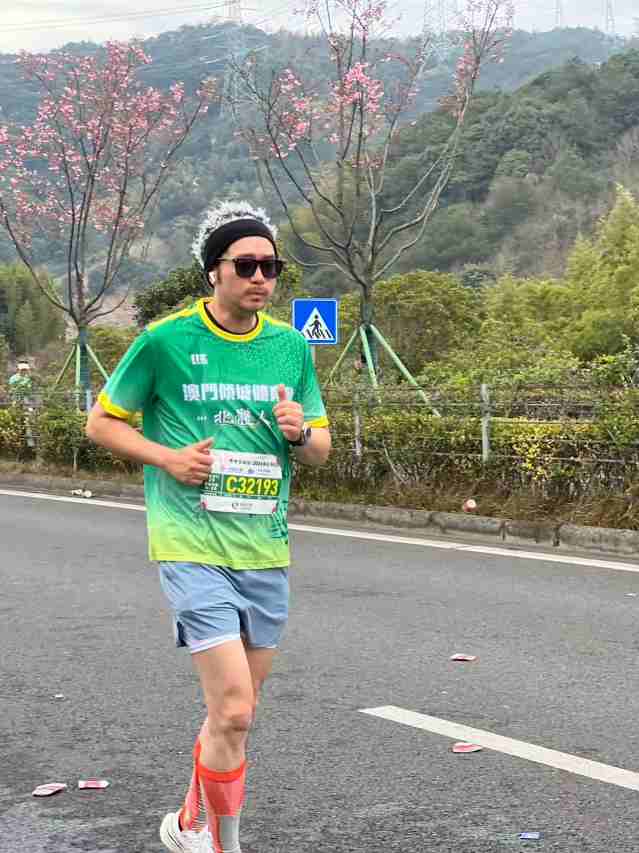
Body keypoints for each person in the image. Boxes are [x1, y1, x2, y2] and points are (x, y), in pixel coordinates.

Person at [85, 200, 331, 853]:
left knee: (234, 715)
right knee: (234, 708)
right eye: (245, 265)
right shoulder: (164, 341)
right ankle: (223, 845)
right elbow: (101, 423)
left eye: (270, 266)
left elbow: (320, 448)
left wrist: (299, 433)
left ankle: (187, 822)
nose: (260, 277)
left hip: (264, 547)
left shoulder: (289, 347)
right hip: (189, 541)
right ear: (213, 271)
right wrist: (167, 458)